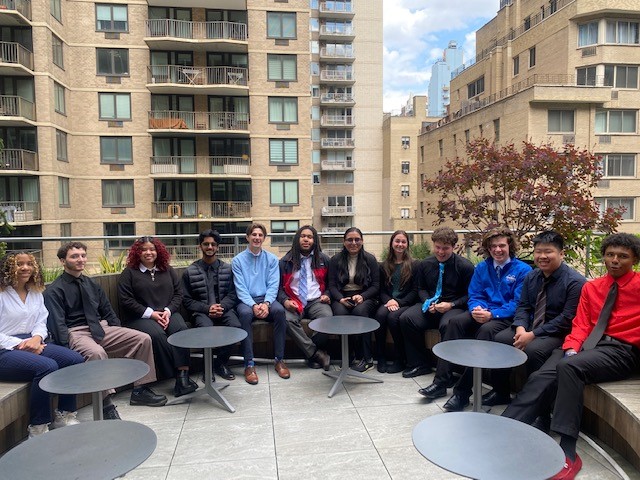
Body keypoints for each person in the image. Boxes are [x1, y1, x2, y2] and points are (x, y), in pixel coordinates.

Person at [503, 233, 640, 480]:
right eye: (610, 255)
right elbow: (581, 324)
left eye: (623, 256)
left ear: (634, 260)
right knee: (542, 374)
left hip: (621, 351)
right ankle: (506, 426)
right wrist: (572, 348)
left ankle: (568, 451)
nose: (615, 261)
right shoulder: (593, 287)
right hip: (586, 346)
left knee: (568, 368)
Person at [44, 242, 167, 419]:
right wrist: (66, 348)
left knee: (143, 339)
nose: (80, 259)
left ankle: (141, 390)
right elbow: (58, 324)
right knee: (96, 353)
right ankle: (106, 405)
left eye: (83, 255)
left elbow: (108, 311)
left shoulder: (91, 284)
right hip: (76, 332)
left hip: (100, 327)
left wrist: (117, 330)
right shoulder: (55, 290)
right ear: (63, 261)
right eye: (74, 256)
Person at [419, 227, 531, 411]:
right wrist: (476, 309)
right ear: (488, 248)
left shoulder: (522, 270)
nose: (497, 250)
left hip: (504, 316)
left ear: (510, 245)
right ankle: (441, 382)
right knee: (454, 322)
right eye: (493, 246)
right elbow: (474, 294)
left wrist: (492, 315)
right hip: (482, 312)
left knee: (485, 331)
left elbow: (518, 303)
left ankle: (462, 393)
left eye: (502, 245)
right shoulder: (482, 267)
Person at [485, 231, 586, 406]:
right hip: (531, 327)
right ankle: (500, 392)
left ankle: (539, 407)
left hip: (558, 332)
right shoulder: (532, 276)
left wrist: (532, 335)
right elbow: (523, 306)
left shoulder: (575, 282)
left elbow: (567, 318)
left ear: (561, 253)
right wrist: (520, 328)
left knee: (534, 351)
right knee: (500, 339)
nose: (542, 256)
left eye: (548, 252)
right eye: (538, 251)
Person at [0, 252, 85, 438]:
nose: (25, 268)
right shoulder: (1, 293)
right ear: (7, 268)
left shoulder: (35, 291)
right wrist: (23, 343)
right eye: (18, 264)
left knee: (74, 359)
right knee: (46, 367)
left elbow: (41, 320)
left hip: (33, 341)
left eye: (29, 263)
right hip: (4, 349)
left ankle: (64, 414)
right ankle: (38, 428)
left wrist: (37, 338)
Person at [118, 236, 197, 397]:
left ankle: (183, 378)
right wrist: (151, 314)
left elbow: (178, 293)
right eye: (144, 249)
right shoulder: (129, 273)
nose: (148, 252)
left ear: (158, 251)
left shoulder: (167, 269)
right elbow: (126, 300)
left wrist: (167, 311)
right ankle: (174, 375)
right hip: (140, 317)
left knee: (181, 330)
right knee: (157, 335)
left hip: (168, 313)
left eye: (152, 249)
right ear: (137, 253)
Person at [399, 227, 475, 378]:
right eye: (437, 247)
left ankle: (450, 370)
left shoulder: (465, 266)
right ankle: (420, 363)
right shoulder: (425, 264)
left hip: (454, 306)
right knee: (406, 318)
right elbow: (421, 288)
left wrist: (450, 305)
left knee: (448, 325)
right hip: (431, 305)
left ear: (453, 247)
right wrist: (427, 302)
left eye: (445, 248)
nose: (440, 252)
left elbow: (469, 295)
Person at [232, 223, 289, 384]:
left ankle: (279, 360)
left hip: (267, 299)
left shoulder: (271, 259)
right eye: (254, 235)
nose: (257, 238)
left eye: (260, 235)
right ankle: (249, 364)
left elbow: (273, 284)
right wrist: (253, 305)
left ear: (264, 238)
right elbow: (240, 287)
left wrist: (266, 303)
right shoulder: (237, 261)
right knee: (244, 314)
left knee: (280, 312)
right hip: (246, 300)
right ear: (247, 237)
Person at [182, 229, 241, 381]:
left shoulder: (228, 269)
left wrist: (221, 307)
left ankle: (220, 363)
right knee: (205, 330)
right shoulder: (190, 271)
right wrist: (208, 309)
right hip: (201, 312)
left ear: (217, 247)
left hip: (224, 309)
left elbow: (233, 294)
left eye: (213, 244)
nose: (210, 247)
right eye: (206, 244)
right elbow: (186, 300)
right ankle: (206, 369)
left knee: (235, 327)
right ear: (200, 247)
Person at [277, 225, 332, 370]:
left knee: (327, 317)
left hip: (316, 301)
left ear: (314, 240)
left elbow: (331, 284)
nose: (306, 239)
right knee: (287, 320)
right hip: (294, 300)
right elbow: (278, 288)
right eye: (303, 236)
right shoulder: (285, 261)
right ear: (297, 239)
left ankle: (312, 354)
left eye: (309, 237)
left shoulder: (324, 259)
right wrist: (285, 301)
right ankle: (316, 354)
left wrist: (327, 294)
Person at [328, 227, 380, 372]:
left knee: (361, 312)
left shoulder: (370, 259)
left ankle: (367, 358)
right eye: (349, 240)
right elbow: (331, 285)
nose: (353, 243)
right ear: (344, 242)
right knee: (340, 314)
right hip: (343, 296)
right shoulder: (335, 260)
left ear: (362, 241)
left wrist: (362, 296)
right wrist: (340, 299)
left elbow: (376, 286)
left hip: (366, 295)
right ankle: (348, 355)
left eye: (357, 239)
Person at [375, 230, 418, 373]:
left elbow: (414, 291)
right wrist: (389, 301)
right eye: (397, 241)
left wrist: (398, 302)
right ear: (392, 243)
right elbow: (381, 290)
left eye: (403, 242)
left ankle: (400, 358)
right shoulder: (384, 265)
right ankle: (381, 357)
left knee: (393, 318)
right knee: (380, 316)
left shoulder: (414, 265)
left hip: (405, 303)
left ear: (407, 244)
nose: (400, 244)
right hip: (388, 302)